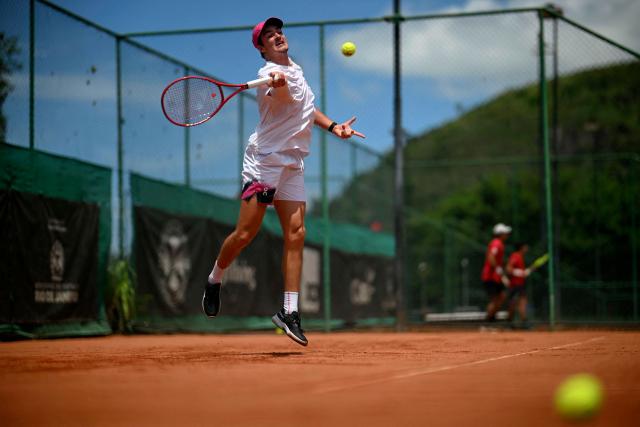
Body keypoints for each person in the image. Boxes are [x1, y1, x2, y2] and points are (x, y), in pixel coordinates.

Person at [201, 17, 365, 347]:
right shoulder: (266, 75)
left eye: (279, 32)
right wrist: (275, 80)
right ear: (261, 48)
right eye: (269, 36)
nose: (277, 37)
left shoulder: (298, 69)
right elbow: (282, 92)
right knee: (246, 233)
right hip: (265, 160)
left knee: (298, 232)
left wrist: (334, 127)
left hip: (293, 162)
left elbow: (306, 109)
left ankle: (289, 312)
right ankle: (214, 278)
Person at [481, 223, 511, 321]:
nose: (507, 235)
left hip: (495, 277)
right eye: (505, 233)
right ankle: (488, 322)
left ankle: (491, 319)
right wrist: (498, 268)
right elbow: (491, 257)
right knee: (495, 300)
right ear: (500, 234)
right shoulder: (496, 243)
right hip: (490, 276)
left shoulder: (499, 244)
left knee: (501, 297)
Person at [505, 242, 531, 329]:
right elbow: (508, 269)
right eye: (526, 246)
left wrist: (523, 273)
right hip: (515, 285)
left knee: (521, 302)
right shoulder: (516, 256)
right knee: (515, 303)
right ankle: (513, 322)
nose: (527, 248)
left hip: (519, 284)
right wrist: (520, 273)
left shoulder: (519, 256)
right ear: (522, 247)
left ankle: (522, 322)